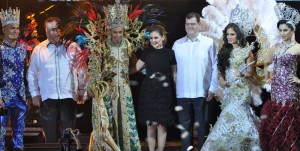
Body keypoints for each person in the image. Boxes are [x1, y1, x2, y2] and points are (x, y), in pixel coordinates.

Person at [87, 1, 141, 151]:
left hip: (124, 89)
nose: (118, 35)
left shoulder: (128, 45)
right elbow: (94, 70)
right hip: (108, 91)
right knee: (109, 123)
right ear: (109, 31)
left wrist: (124, 74)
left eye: (120, 32)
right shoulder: (101, 46)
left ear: (123, 31)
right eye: (115, 32)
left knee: (125, 121)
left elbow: (134, 64)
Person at [201, 23, 261, 151]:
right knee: (228, 116)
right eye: (227, 34)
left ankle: (244, 145)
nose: (229, 37)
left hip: (241, 89)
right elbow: (220, 69)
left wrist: (243, 74)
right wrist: (221, 80)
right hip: (228, 89)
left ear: (238, 35)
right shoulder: (224, 50)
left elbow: (250, 72)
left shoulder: (246, 51)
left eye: (232, 34)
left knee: (236, 114)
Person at [27, 17, 88, 143]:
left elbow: (82, 69)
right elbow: (32, 73)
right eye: (48, 30)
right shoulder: (39, 49)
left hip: (68, 97)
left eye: (54, 29)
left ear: (61, 29)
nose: (51, 33)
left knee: (69, 138)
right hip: (48, 99)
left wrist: (82, 90)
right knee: (50, 138)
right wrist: (34, 94)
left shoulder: (72, 47)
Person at [172, 12, 218, 150]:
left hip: (202, 91)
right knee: (184, 127)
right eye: (187, 24)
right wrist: (175, 85)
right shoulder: (177, 44)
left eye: (193, 24)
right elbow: (173, 68)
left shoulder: (209, 43)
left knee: (203, 124)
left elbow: (216, 66)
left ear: (199, 25)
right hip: (183, 92)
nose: (190, 26)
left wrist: (213, 87)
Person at [260, 3, 300, 151]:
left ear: (292, 30)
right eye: (280, 30)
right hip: (276, 88)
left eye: (285, 30)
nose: (282, 33)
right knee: (276, 120)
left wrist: (298, 80)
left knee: (288, 120)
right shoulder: (275, 47)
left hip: (291, 88)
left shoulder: (298, 47)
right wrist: (267, 76)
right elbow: (265, 63)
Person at [131, 25, 176, 151]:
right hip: (149, 89)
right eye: (151, 38)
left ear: (163, 37)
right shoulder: (147, 52)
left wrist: (175, 91)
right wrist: (120, 72)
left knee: (162, 124)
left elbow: (174, 74)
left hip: (164, 90)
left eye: (156, 38)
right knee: (150, 124)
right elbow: (136, 68)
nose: (153, 41)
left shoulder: (170, 53)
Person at [0, 7, 31, 151]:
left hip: (20, 96)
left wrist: (28, 94)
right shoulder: (0, 50)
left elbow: (26, 73)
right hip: (4, 97)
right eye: (12, 28)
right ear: (4, 30)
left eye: (17, 28)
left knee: (20, 130)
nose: (15, 31)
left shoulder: (23, 49)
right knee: (1, 130)